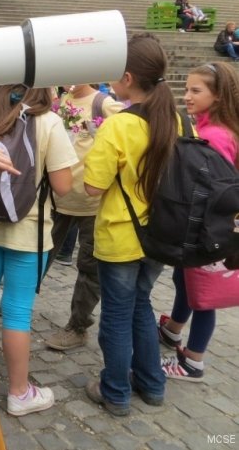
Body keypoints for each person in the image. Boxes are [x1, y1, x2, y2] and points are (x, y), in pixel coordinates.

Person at [0, 85, 77, 416]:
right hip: (29, 232)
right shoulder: (49, 123)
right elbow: (64, 187)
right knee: (17, 309)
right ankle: (19, 393)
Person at [83, 32, 178, 416]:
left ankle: (116, 392)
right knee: (141, 306)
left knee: (118, 316)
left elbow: (93, 187)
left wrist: (94, 145)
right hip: (158, 237)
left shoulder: (119, 126)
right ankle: (152, 385)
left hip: (122, 237)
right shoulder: (173, 118)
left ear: (126, 78)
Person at [158, 62, 239, 383]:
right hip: (207, 227)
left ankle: (193, 361)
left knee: (204, 295)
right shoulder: (211, 128)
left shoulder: (214, 135)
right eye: (186, 89)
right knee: (184, 280)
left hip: (207, 229)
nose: (187, 96)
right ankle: (173, 329)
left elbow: (212, 186)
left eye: (196, 90)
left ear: (217, 96)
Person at [44, 84, 124, 352]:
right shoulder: (61, 101)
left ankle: (77, 327)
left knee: (89, 268)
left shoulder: (106, 104)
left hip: (93, 203)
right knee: (37, 254)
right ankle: (12, 302)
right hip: (58, 198)